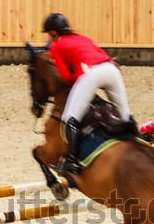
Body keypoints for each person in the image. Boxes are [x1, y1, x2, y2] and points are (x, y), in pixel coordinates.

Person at [42, 13, 132, 174]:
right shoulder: (83, 38)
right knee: (124, 114)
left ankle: (71, 161)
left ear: (54, 32)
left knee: (70, 118)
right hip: (111, 70)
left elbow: (66, 76)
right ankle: (139, 142)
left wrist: (77, 88)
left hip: (92, 74)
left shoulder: (56, 46)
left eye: (49, 33)